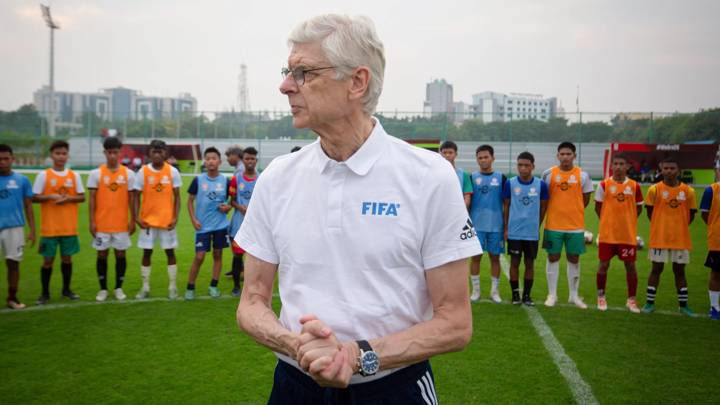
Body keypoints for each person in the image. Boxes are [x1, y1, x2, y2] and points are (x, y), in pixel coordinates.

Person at [235, 14, 480, 403]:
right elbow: (251, 301)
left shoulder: (428, 176)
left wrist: (358, 355)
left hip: (394, 389)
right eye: (288, 71)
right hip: (295, 387)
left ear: (357, 82)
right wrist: (296, 345)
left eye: (303, 73)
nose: (284, 86)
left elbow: (455, 323)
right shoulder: (278, 178)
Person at [542, 141, 594, 308]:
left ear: (574, 156)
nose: (565, 157)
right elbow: (545, 198)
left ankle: (574, 295)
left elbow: (585, 199)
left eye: (568, 154)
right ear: (557, 156)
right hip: (553, 224)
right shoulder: (548, 174)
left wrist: (573, 210)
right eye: (562, 154)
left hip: (575, 226)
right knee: (553, 257)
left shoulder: (583, 175)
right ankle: (552, 295)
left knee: (574, 258)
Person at [32, 140, 85, 304]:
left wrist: (68, 198)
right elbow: (34, 197)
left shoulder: (74, 175)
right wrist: (49, 196)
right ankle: (44, 293)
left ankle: (66, 290)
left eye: (63, 153)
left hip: (68, 227)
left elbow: (82, 197)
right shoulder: (44, 175)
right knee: (47, 260)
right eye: (57, 153)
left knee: (67, 259)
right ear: (51, 155)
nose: (61, 157)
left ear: (67, 155)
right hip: (50, 228)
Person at [642, 157, 697, 316]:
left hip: (680, 239)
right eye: (666, 168)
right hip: (659, 238)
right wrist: (662, 226)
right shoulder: (654, 189)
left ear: (678, 170)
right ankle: (649, 303)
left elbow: (691, 215)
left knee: (680, 271)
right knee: (656, 269)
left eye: (672, 168)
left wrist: (678, 228)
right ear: (662, 170)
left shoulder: (688, 191)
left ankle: (683, 306)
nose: (669, 171)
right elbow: (650, 213)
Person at [87, 137, 136, 301]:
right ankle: (103, 289)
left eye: (116, 152)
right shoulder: (96, 174)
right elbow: (92, 199)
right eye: (109, 152)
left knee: (120, 254)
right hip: (102, 224)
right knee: (102, 255)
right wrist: (92, 221)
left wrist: (133, 220)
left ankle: (118, 288)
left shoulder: (128, 174)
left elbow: (132, 199)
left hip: (121, 224)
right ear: (104, 153)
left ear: (120, 153)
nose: (113, 156)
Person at [594, 154, 644, 313]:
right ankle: (601, 297)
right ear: (611, 166)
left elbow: (638, 208)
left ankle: (631, 300)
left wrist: (627, 221)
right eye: (615, 164)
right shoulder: (603, 185)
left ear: (627, 166)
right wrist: (608, 222)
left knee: (630, 266)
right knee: (603, 265)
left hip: (627, 235)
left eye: (621, 164)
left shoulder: (635, 186)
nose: (618, 167)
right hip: (608, 234)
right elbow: (598, 208)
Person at [133, 140, 182, 299]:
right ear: (149, 153)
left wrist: (175, 217)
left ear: (165, 153)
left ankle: (172, 287)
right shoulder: (143, 172)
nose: (157, 154)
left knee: (170, 253)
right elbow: (135, 196)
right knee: (147, 253)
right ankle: (145, 287)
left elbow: (177, 197)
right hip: (148, 222)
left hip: (167, 222)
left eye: (160, 151)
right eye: (154, 151)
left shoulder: (172, 172)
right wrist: (137, 217)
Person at [184, 147, 232, 300]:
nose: (211, 161)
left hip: (220, 225)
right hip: (202, 226)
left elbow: (231, 201)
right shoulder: (198, 180)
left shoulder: (225, 180)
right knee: (199, 256)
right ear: (205, 161)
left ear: (219, 161)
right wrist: (193, 219)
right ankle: (190, 287)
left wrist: (227, 207)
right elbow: (190, 201)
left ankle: (213, 286)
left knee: (218, 255)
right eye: (208, 158)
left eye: (214, 158)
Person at [502, 152, 548, 306]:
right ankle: (515, 295)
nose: (523, 168)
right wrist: (506, 228)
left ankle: (527, 295)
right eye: (520, 165)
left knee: (530, 264)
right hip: (515, 232)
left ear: (533, 166)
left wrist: (537, 225)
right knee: (514, 262)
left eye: (526, 165)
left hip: (531, 233)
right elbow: (506, 206)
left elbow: (543, 207)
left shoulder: (541, 185)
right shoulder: (510, 183)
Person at [469, 144, 506, 303]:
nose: (483, 160)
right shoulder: (472, 177)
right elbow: (468, 202)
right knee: (475, 258)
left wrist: (505, 226)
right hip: (476, 226)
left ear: (493, 158)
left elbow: (506, 203)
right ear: (477, 159)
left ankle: (494, 291)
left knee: (495, 258)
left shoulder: (501, 177)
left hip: (496, 226)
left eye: (486, 157)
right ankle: (476, 291)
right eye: (480, 157)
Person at [0, 144, 35, 309]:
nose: (2, 162)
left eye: (6, 159)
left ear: (12, 159)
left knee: (13, 263)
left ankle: (12, 298)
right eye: (0, 159)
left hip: (14, 228)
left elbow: (28, 206)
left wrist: (33, 230)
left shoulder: (22, 180)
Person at [228, 147, 259, 297]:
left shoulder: (261, 179)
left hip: (255, 226)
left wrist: (253, 209)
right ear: (243, 160)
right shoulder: (236, 179)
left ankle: (251, 287)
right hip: (238, 224)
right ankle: (236, 286)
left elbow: (264, 201)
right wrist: (241, 207)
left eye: (252, 158)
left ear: (256, 161)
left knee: (254, 259)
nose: (250, 161)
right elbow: (231, 201)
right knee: (237, 256)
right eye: (247, 158)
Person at [700, 161, 720, 320]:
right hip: (717, 239)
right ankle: (714, 307)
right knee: (716, 273)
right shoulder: (711, 190)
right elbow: (705, 214)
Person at [223, 145, 244, 278]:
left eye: (228, 156)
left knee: (237, 239)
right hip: (239, 210)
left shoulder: (240, 171)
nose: (227, 159)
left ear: (236, 155)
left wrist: (229, 205)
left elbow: (235, 193)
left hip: (242, 211)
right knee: (234, 237)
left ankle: (240, 269)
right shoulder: (239, 169)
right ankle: (236, 267)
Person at [440, 140, 473, 209]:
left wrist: (461, 213)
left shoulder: (464, 175)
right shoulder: (435, 174)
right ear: (440, 154)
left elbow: (467, 197)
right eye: (444, 153)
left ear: (456, 154)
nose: (447, 155)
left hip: (457, 215)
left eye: (450, 152)